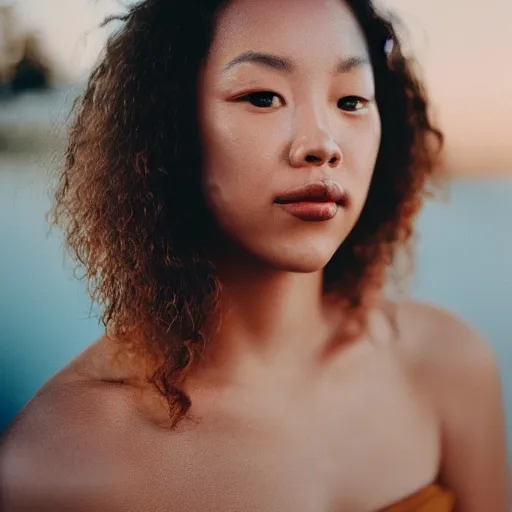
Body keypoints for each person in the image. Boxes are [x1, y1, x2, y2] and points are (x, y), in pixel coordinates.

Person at [0, 0, 509, 510]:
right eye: (263, 97)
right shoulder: (54, 463)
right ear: (170, 126)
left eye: (351, 101)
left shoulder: (445, 365)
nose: (322, 145)